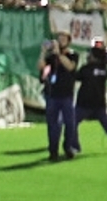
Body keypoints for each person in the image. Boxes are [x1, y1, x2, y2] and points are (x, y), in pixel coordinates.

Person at [74, 41, 107, 155]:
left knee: (73, 123)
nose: (88, 56)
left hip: (85, 104)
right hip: (99, 104)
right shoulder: (104, 69)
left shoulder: (86, 69)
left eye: (90, 54)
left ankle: (75, 147)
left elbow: (76, 76)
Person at [38, 31, 79, 162]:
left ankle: (68, 147)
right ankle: (53, 151)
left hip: (67, 95)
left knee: (70, 123)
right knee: (53, 125)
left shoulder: (72, 55)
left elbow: (70, 67)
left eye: (63, 38)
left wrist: (59, 54)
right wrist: (43, 52)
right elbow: (41, 67)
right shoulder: (51, 57)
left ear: (68, 41)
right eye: (59, 38)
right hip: (52, 95)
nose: (60, 41)